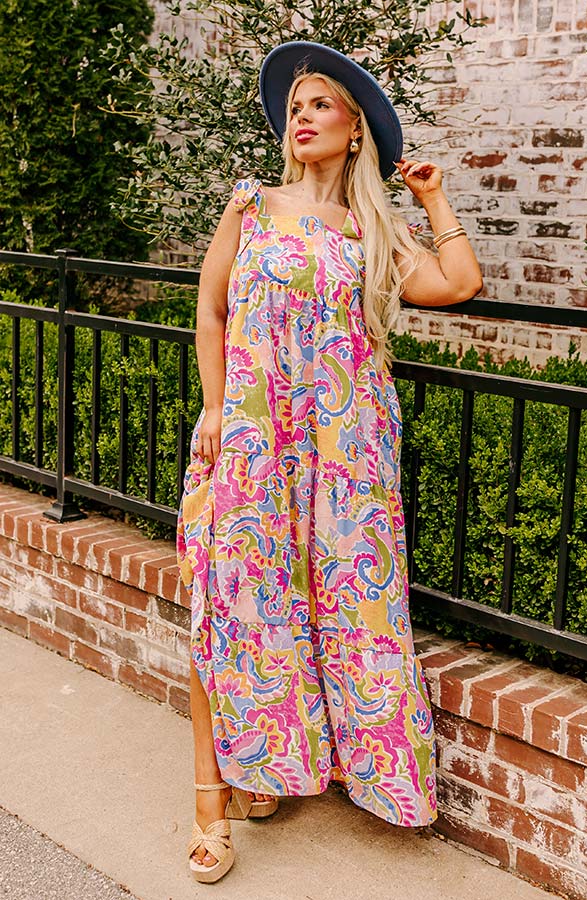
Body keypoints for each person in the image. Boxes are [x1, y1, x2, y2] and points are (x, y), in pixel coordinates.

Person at [177, 40, 483, 884]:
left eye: (320, 105)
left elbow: (458, 282)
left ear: (355, 130)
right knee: (231, 601)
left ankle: (275, 769)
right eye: (294, 107)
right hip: (254, 436)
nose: (301, 117)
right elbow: (210, 310)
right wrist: (215, 407)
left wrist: (433, 196)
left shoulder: (370, 228)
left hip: (348, 452)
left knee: (344, 607)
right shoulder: (251, 204)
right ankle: (211, 803)